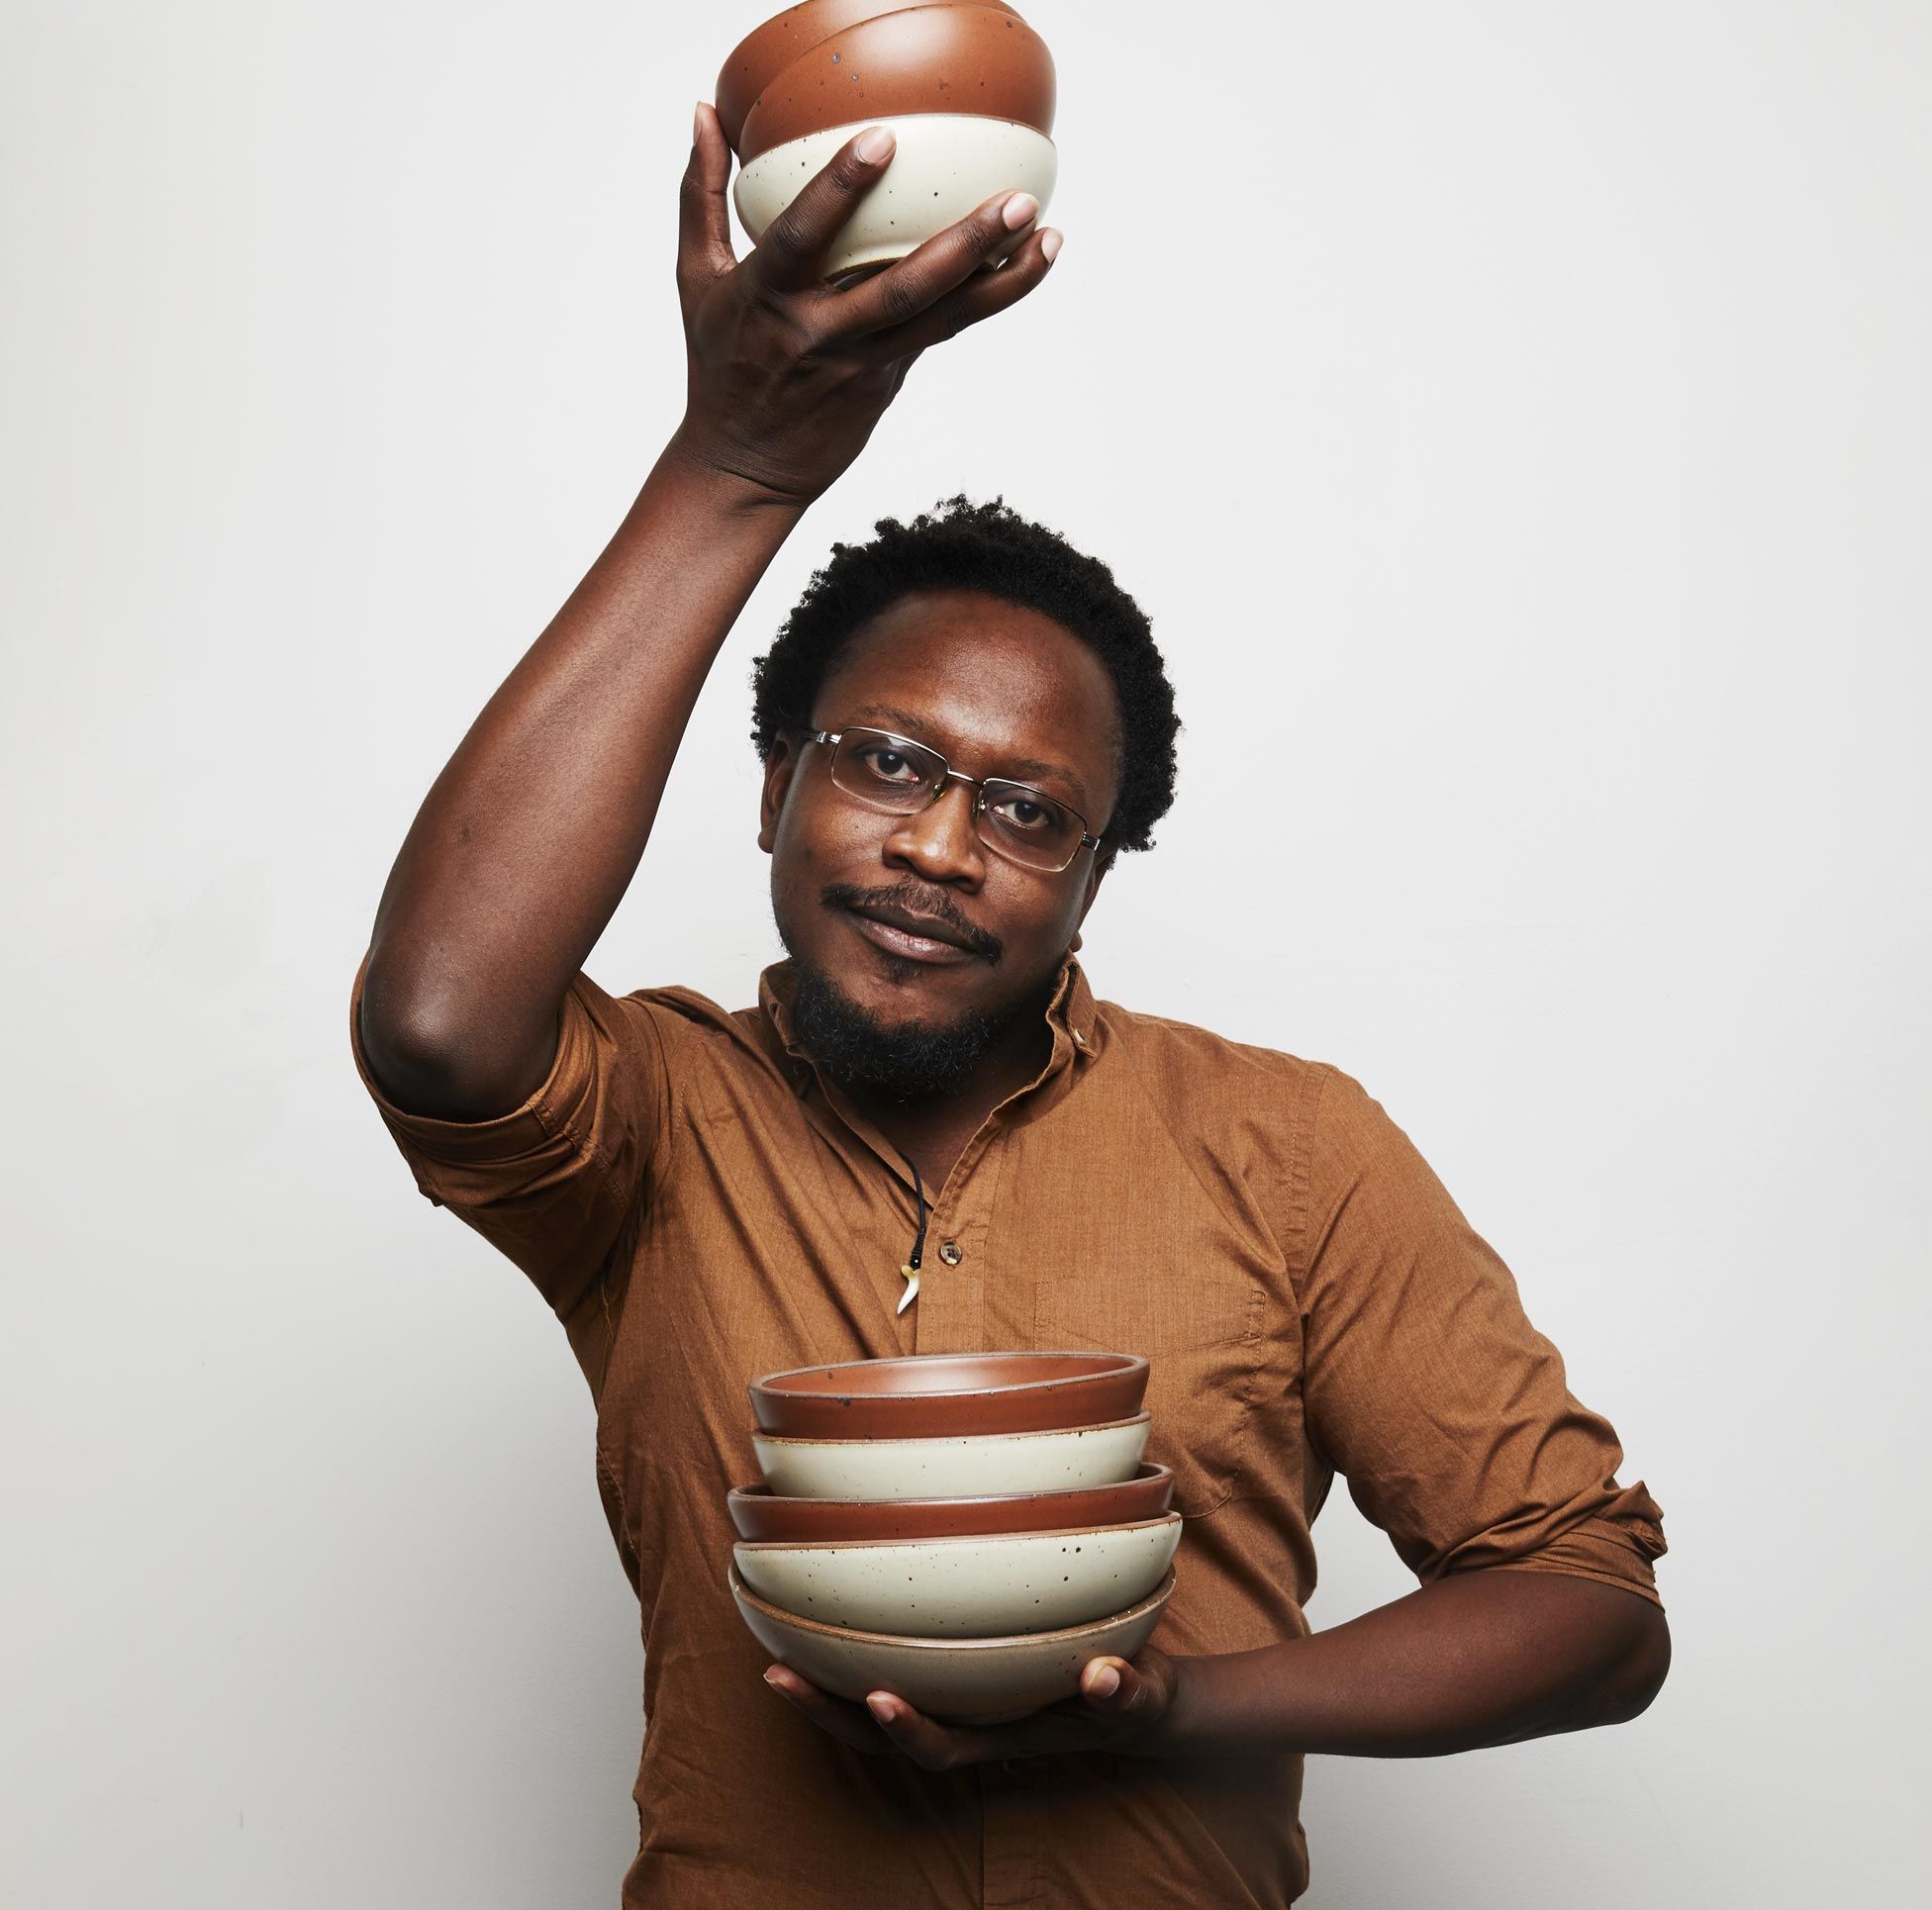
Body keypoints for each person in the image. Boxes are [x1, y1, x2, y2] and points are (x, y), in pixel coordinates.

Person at [350, 106, 1670, 1910]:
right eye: (885, 764)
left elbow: (1588, 1606)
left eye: (1030, 814)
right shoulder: (651, 1124)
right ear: (770, 796)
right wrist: (735, 459)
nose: (943, 848)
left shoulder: (1289, 1145)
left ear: (1092, 879)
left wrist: (1175, 1708)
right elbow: (432, 1018)